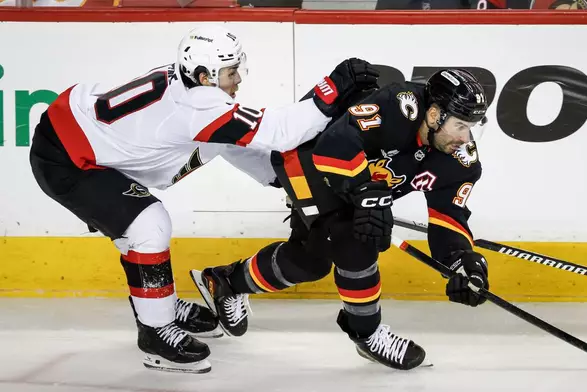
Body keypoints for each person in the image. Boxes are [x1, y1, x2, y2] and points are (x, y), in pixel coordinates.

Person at [28, 24, 379, 374]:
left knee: (135, 226)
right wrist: (331, 89)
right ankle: (155, 333)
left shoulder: (190, 90)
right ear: (203, 75)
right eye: (230, 72)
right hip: (68, 159)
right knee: (147, 225)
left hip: (80, 136)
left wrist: (279, 179)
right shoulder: (198, 105)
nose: (237, 79)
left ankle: (157, 301)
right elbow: (281, 131)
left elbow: (225, 140)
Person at [190, 69, 491, 371]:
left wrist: (460, 260)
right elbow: (335, 144)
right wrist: (367, 194)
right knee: (355, 240)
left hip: (352, 187)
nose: (465, 137)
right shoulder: (399, 106)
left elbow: (448, 217)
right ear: (435, 114)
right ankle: (367, 333)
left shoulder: (460, 160)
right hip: (310, 160)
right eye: (460, 125)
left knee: (309, 261)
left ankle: (226, 281)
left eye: (471, 127)